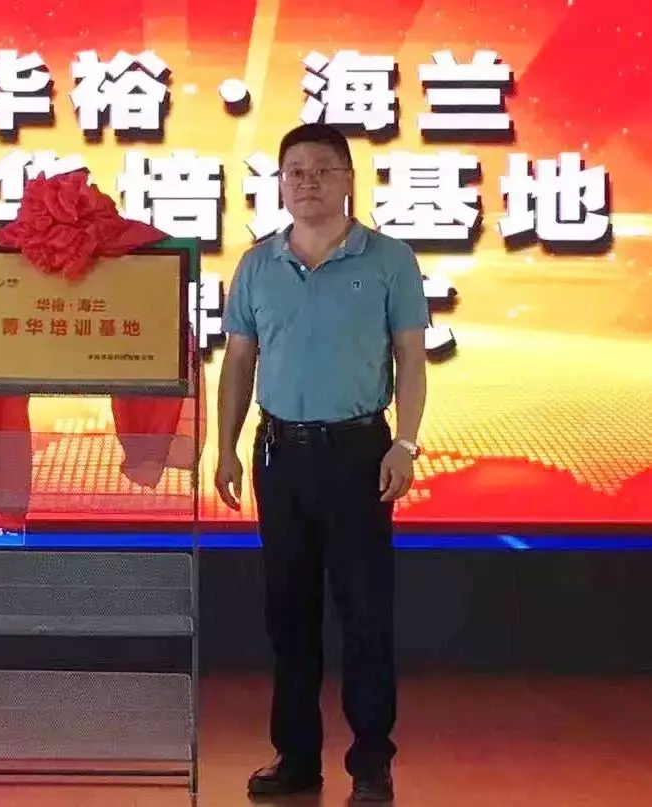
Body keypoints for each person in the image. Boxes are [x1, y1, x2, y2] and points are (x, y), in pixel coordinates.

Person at [215, 123, 428, 802]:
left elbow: (411, 359)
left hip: (360, 454)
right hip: (279, 455)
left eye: (321, 169)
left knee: (365, 614)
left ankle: (370, 763)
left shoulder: (388, 259)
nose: (307, 182)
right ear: (280, 183)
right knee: (289, 614)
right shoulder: (257, 265)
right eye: (294, 171)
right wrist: (224, 445)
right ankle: (296, 756)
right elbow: (238, 362)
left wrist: (406, 443)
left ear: (347, 180)